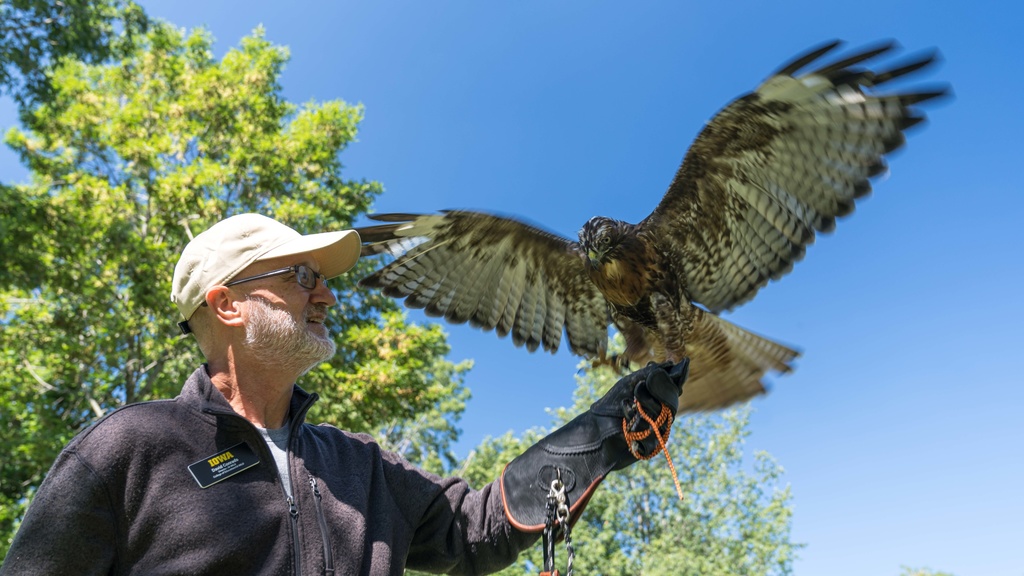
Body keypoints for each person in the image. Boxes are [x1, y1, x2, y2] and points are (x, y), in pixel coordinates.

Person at [0, 213, 688, 575]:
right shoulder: (128, 449)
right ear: (229, 305)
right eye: (302, 275)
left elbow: (474, 529)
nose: (326, 293)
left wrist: (603, 432)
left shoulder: (359, 466)